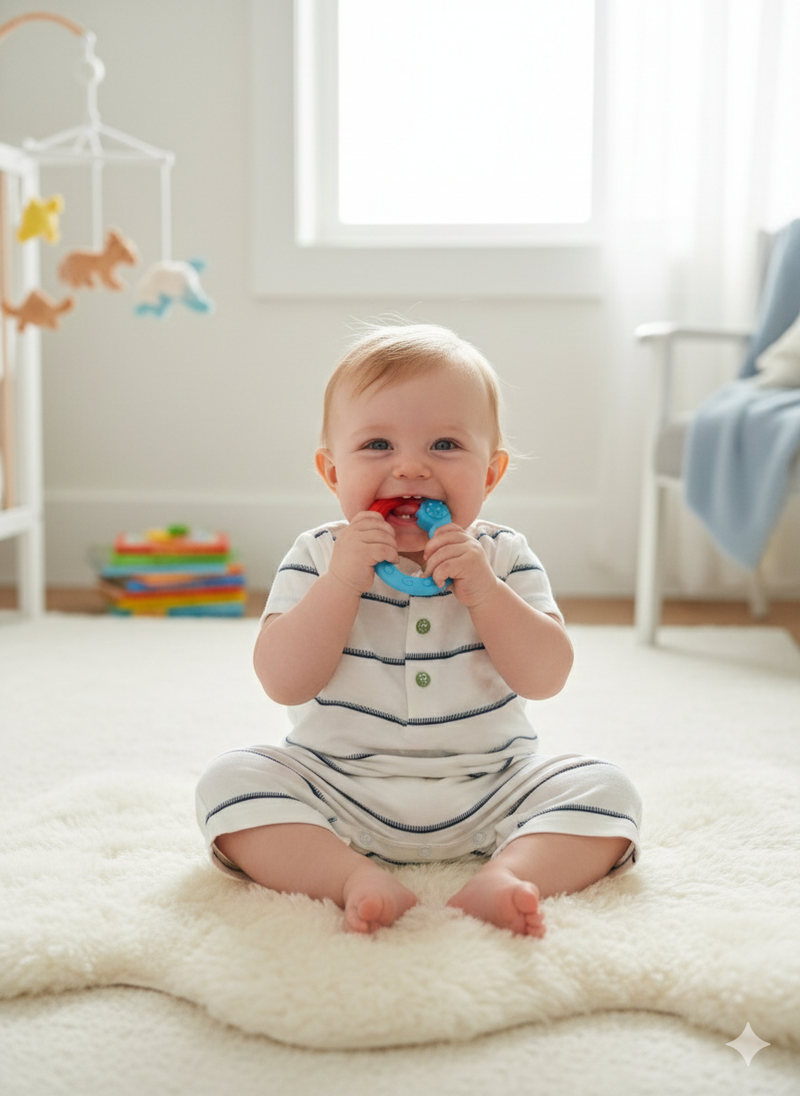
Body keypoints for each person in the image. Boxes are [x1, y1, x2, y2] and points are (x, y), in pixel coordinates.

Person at [196, 323, 641, 937]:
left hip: (492, 783)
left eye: (445, 445)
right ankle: (349, 876)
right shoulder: (319, 555)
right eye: (377, 444)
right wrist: (343, 582)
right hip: (338, 782)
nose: (410, 467)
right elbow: (283, 680)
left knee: (607, 789)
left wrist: (485, 591)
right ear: (332, 472)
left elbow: (546, 677)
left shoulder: (503, 555)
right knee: (230, 781)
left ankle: (509, 875)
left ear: (490, 474)